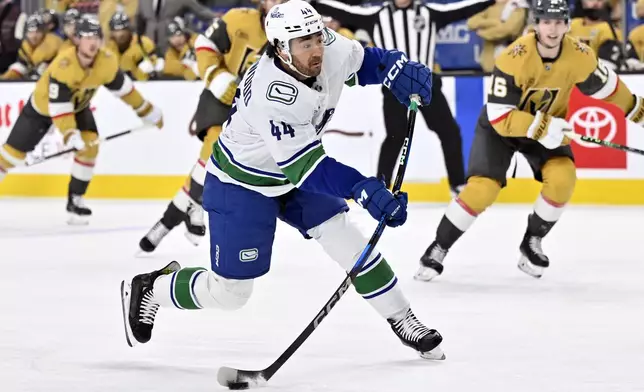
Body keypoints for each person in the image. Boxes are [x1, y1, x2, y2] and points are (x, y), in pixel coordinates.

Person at [122, 0, 446, 360]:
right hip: (242, 184)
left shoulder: (325, 45)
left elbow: (365, 62)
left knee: (349, 240)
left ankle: (403, 319)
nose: (316, 49)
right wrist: (364, 189)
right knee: (229, 294)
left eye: (317, 38)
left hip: (291, 175)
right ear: (280, 48)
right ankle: (154, 289)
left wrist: (395, 69)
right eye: (304, 44)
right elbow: (308, 168)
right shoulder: (271, 93)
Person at [415, 0, 644, 281]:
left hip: (547, 128)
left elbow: (611, 90)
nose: (553, 28)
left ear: (567, 25)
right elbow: (500, 115)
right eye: (546, 22)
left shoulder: (580, 56)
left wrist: (640, 112)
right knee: (481, 190)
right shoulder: (515, 57)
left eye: (559, 22)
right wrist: (543, 126)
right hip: (504, 129)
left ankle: (532, 241)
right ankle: (438, 247)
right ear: (536, 24)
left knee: (563, 178)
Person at [138, 0, 283, 253]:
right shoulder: (239, 19)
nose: (277, 3)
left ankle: (171, 218)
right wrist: (216, 76)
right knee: (216, 147)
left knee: (212, 162)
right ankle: (190, 205)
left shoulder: (294, 31)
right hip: (222, 95)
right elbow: (205, 44)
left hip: (254, 109)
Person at [312, 0, 496, 195]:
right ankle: (381, 186)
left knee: (449, 131)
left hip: (426, 82)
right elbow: (343, 10)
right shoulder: (376, 15)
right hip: (393, 85)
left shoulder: (429, 12)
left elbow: (461, 9)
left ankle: (457, 184)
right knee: (395, 136)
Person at [0, 16, 164, 224]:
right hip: (42, 108)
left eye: (96, 36)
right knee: (10, 156)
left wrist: (147, 111)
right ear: (77, 40)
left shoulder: (106, 61)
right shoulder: (64, 64)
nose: (92, 42)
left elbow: (125, 91)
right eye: (86, 37)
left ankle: (75, 200)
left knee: (89, 147)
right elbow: (59, 108)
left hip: (78, 107)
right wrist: (69, 135)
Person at [105, 12, 164, 81]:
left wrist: (153, 65)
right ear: (111, 32)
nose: (121, 34)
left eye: (124, 29)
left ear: (130, 29)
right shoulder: (107, 48)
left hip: (144, 85)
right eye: (117, 30)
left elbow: (157, 66)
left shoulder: (144, 43)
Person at [1, 13, 61, 80]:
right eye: (30, 32)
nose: (34, 36)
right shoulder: (25, 45)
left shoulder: (54, 43)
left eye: (38, 32)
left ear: (44, 32)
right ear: (26, 33)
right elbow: (22, 65)